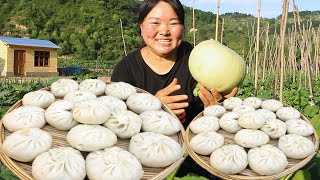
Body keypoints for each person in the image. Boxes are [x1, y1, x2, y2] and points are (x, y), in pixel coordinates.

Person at [111, 0, 237, 179]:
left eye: (173, 23)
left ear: (182, 27)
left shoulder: (199, 61)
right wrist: (153, 108)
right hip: (144, 157)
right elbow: (114, 125)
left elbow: (213, 129)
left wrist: (216, 110)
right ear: (141, 26)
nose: (164, 31)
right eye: (155, 23)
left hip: (195, 155)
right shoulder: (126, 69)